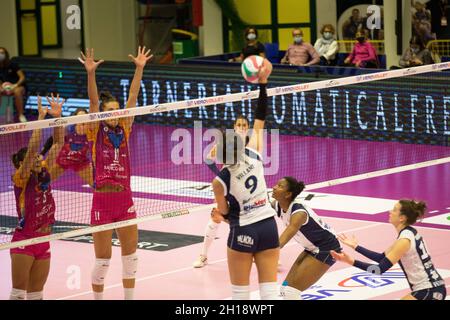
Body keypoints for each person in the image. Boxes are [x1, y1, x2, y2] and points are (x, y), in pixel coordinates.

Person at [79, 47, 153, 300]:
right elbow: (91, 102)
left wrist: (139, 68)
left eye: (117, 110)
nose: (115, 114)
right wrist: (91, 74)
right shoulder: (94, 131)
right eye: (110, 111)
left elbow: (133, 96)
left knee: (131, 256)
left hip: (125, 200)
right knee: (102, 260)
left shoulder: (125, 127)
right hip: (102, 201)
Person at [212, 59, 279, 300]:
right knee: (270, 291)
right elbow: (261, 115)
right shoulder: (254, 151)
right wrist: (263, 83)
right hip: (269, 225)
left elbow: (225, 213)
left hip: (244, 228)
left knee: (240, 294)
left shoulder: (220, 181)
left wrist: (220, 213)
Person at [331, 200, 447, 300]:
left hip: (429, 290)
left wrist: (351, 262)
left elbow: (379, 269)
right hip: (432, 288)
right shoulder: (408, 233)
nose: (390, 212)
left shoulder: (404, 241)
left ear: (402, 218)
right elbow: (381, 258)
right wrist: (356, 247)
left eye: (395, 210)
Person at [9, 94, 65, 300]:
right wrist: (41, 119)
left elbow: (59, 143)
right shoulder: (20, 178)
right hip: (24, 239)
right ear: (22, 163)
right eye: (31, 159)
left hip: (44, 239)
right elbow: (33, 149)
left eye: (37, 158)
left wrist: (57, 118)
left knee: (36, 295)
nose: (37, 159)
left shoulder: (43, 170)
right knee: (18, 294)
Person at [271, 177, 342, 300]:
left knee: (290, 291)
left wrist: (263, 253)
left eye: (280, 186)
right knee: (285, 288)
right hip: (311, 248)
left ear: (288, 194)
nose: (274, 187)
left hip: (327, 249)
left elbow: (283, 239)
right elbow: (257, 208)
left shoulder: (299, 213)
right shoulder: (279, 205)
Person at [193, 116, 250, 268]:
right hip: (227, 185)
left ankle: (266, 252)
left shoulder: (252, 143)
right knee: (215, 217)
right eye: (239, 124)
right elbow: (208, 158)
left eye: (244, 125)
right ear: (234, 126)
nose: (242, 127)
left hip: (245, 187)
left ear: (248, 127)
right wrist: (219, 175)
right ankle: (203, 256)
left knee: (254, 218)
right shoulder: (228, 141)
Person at [51, 108, 93, 186]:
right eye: (79, 118)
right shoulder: (68, 129)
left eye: (84, 118)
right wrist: (43, 153)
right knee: (45, 182)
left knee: (95, 184)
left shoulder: (91, 132)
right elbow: (53, 140)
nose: (82, 121)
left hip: (80, 162)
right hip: (63, 160)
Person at [0, 47, 27, 123]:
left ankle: (21, 115)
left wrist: (15, 85)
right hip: (5, 87)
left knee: (17, 92)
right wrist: (1, 87)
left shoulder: (13, 65)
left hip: (17, 86)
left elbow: (22, 77)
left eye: (2, 53)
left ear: (6, 54)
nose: (0, 55)